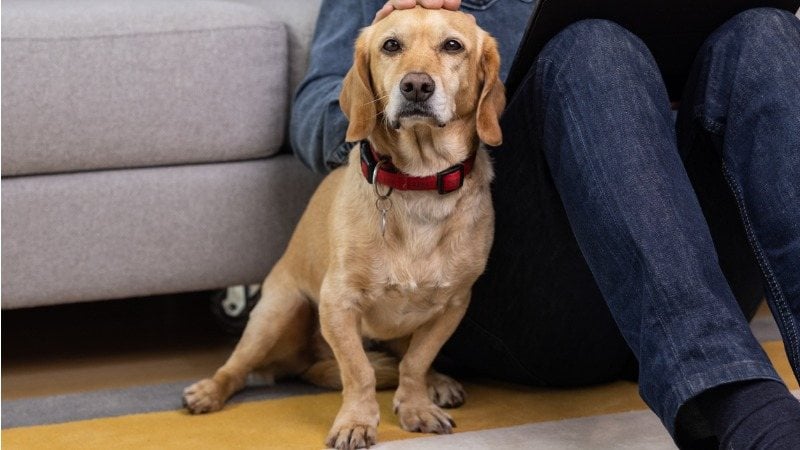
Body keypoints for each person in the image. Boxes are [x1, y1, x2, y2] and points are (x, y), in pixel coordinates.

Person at [290, 0, 800, 447]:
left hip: (696, 270)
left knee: (767, 33)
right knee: (593, 48)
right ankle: (749, 417)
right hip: (536, 301)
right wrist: (398, 105)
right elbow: (313, 117)